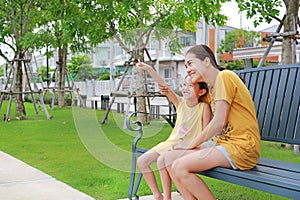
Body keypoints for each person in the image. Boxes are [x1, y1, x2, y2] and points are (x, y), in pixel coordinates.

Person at [159, 44, 261, 200]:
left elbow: (218, 122)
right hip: (223, 146)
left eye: (190, 63)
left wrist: (190, 144)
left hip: (242, 147)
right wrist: (167, 89)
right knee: (168, 159)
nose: (187, 69)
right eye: (186, 66)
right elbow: (187, 99)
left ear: (207, 61)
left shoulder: (225, 76)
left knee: (180, 167)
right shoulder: (210, 89)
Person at [135, 60, 212, 200]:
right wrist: (149, 69)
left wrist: (194, 146)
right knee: (142, 161)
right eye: (184, 85)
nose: (185, 88)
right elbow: (164, 86)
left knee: (161, 161)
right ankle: (158, 195)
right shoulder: (180, 103)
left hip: (190, 146)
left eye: (190, 86)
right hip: (172, 143)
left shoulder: (203, 108)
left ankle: (167, 197)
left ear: (201, 91)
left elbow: (206, 133)